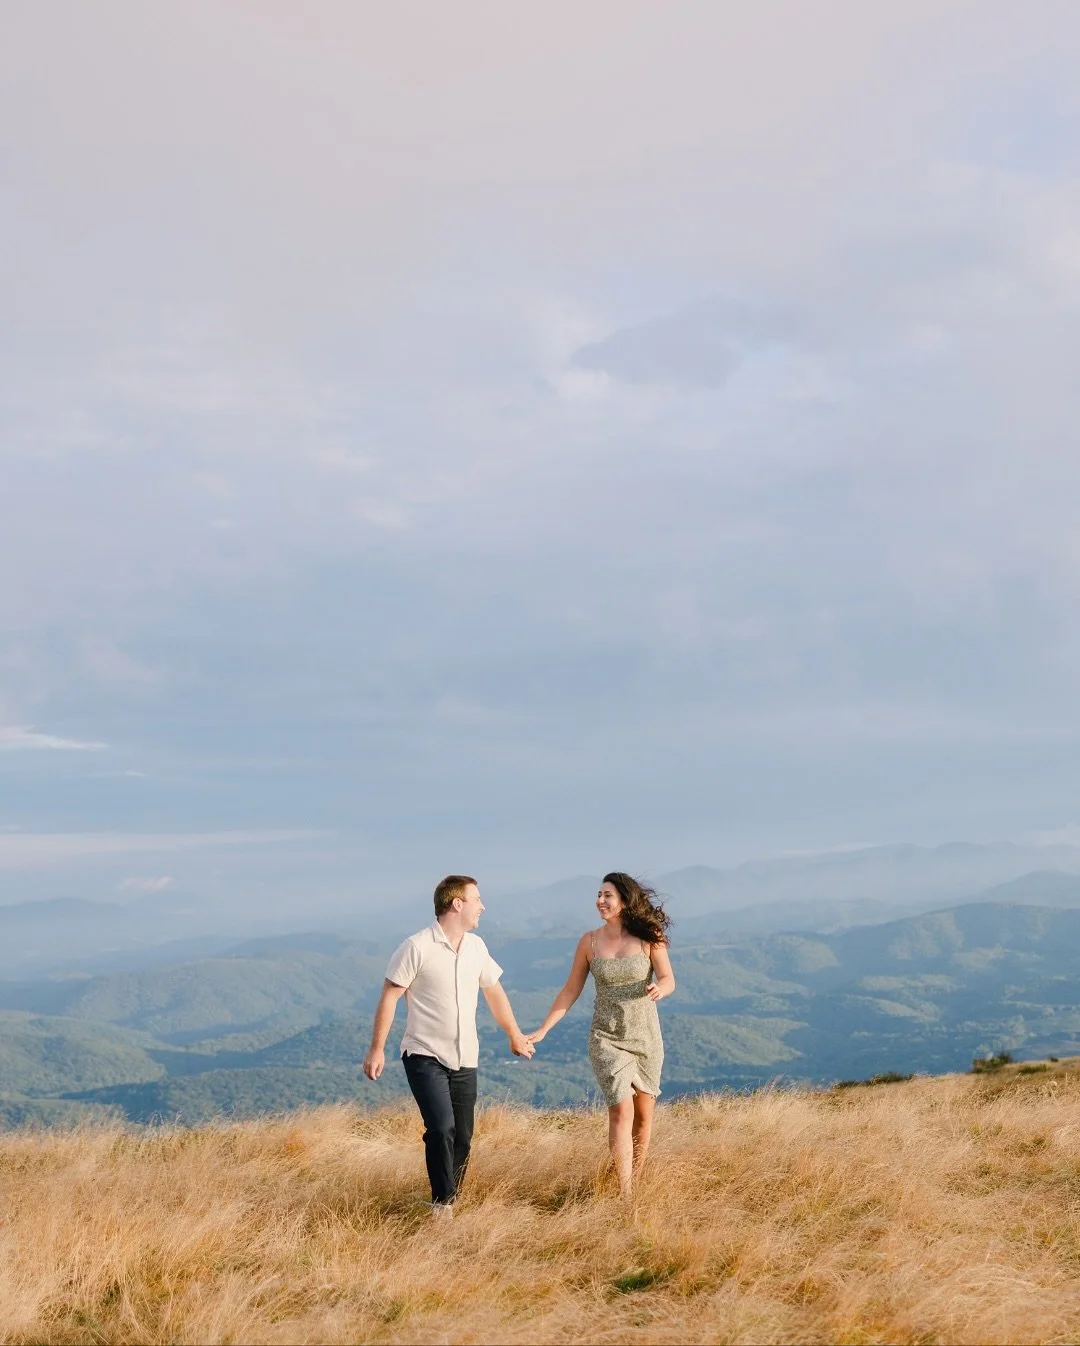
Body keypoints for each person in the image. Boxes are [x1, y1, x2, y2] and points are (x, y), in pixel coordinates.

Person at [363, 874, 534, 1217]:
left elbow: (494, 992)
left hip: (465, 1056)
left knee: (463, 1137)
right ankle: (442, 1205)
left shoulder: (476, 947)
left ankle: (450, 1199)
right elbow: (390, 995)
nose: (482, 907)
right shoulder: (416, 946)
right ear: (457, 904)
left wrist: (514, 1034)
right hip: (424, 1053)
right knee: (441, 1127)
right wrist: (377, 1048)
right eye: (477, 900)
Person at [526, 872, 675, 1198]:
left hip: (645, 1035)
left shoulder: (651, 937)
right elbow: (570, 991)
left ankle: (637, 1176)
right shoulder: (589, 942)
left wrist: (658, 989)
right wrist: (543, 1029)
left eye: (607, 895)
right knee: (621, 1110)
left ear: (624, 900)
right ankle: (625, 1193)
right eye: (599, 894)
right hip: (606, 1037)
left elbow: (668, 978)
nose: (600, 900)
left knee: (644, 1117)